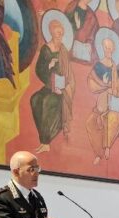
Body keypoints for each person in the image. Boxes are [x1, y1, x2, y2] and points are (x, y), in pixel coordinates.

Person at [31, 14, 75, 154]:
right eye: (57, 33)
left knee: (46, 101)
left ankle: (45, 142)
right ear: (51, 32)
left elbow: (68, 73)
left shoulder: (63, 51)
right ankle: (44, 138)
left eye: (61, 33)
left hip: (61, 88)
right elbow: (39, 70)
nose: (59, 36)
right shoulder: (46, 49)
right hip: (50, 85)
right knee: (35, 99)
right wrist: (49, 66)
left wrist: (63, 86)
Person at [86, 34, 119, 165]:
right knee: (90, 123)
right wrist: (105, 85)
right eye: (106, 47)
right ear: (102, 48)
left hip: (113, 105)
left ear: (114, 49)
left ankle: (107, 148)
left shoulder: (116, 70)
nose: (108, 50)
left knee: (113, 118)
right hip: (101, 105)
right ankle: (98, 152)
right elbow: (91, 84)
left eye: (111, 48)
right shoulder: (98, 66)